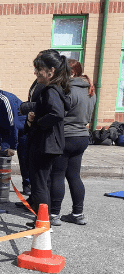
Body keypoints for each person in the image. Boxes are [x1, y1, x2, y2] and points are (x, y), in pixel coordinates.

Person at [25, 49, 70, 227]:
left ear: (51, 71)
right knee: (44, 182)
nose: (35, 73)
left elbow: (56, 114)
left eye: (39, 69)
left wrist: (39, 121)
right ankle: (43, 220)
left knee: (39, 184)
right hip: (50, 144)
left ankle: (43, 223)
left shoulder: (50, 90)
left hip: (45, 144)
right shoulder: (56, 89)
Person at [50, 59, 96, 226]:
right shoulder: (90, 90)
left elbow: (58, 113)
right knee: (74, 176)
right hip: (82, 136)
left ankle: (53, 214)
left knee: (57, 175)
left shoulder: (67, 89)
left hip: (66, 136)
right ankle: (78, 213)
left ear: (72, 73)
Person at [0, 76, 25, 160]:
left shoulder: (5, 100)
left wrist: (13, 147)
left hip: (23, 133)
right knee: (3, 157)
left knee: (26, 163)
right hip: (9, 133)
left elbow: (13, 124)